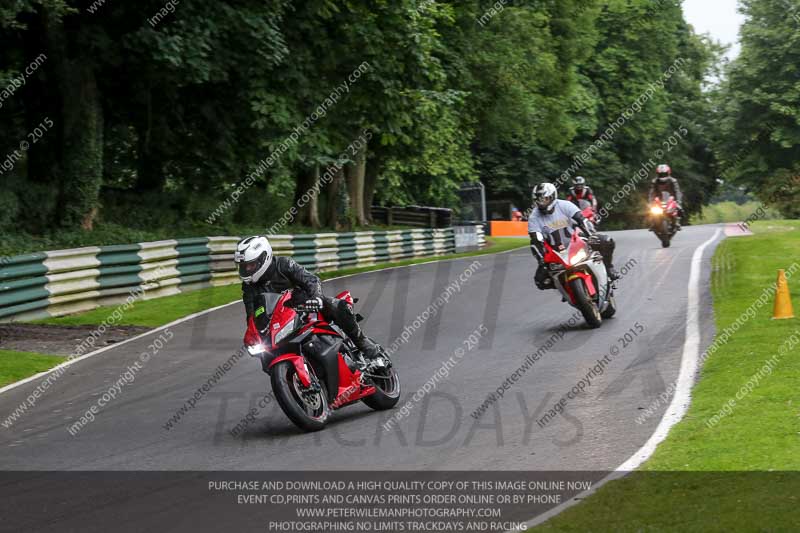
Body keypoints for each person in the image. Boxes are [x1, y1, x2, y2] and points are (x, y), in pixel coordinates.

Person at [234, 236, 379, 359]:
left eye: (250, 265)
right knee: (265, 355)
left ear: (263, 258)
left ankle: (362, 342)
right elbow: (251, 316)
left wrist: (316, 298)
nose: (246, 269)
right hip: (280, 323)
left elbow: (311, 280)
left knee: (335, 305)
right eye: (243, 266)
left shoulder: (284, 265)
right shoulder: (249, 287)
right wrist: (253, 336)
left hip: (306, 306)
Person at [528, 183, 619, 291]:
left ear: (552, 196)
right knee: (541, 281)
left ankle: (609, 268)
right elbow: (535, 238)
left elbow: (582, 219)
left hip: (575, 241)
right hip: (555, 251)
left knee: (606, 241)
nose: (541, 202)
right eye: (538, 200)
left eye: (544, 199)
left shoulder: (565, 205)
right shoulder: (534, 217)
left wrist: (591, 235)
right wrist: (542, 259)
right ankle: (565, 287)